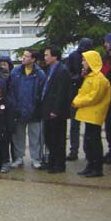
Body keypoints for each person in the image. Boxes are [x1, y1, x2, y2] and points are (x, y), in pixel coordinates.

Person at [72, 50, 111, 177]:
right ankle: (90, 164)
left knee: (94, 142)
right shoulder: (90, 77)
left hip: (94, 115)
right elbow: (83, 92)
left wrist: (76, 101)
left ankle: (97, 167)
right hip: (88, 114)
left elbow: (93, 97)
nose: (82, 63)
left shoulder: (99, 79)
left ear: (91, 62)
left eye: (84, 60)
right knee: (88, 142)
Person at [9, 50, 46, 169]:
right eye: (23, 55)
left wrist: (38, 106)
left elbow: (42, 92)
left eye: (26, 56)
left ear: (33, 59)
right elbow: (11, 90)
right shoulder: (15, 72)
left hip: (34, 110)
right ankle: (19, 158)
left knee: (35, 136)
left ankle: (36, 158)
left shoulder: (40, 74)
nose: (23, 58)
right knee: (18, 135)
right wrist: (14, 105)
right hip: (18, 109)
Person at [41, 45, 72, 173]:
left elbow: (61, 93)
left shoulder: (62, 70)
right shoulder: (50, 69)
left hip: (56, 111)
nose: (45, 57)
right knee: (49, 137)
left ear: (55, 56)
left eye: (47, 55)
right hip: (47, 108)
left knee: (57, 138)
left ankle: (59, 164)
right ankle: (52, 161)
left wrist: (55, 110)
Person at [66, 38, 94, 160]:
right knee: (74, 125)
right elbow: (68, 74)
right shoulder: (73, 56)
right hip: (76, 93)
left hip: (88, 93)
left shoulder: (92, 56)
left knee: (89, 125)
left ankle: (88, 150)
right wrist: (79, 77)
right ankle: (74, 150)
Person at [100, 34, 111, 164]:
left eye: (107, 42)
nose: (105, 44)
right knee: (109, 127)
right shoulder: (106, 57)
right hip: (108, 98)